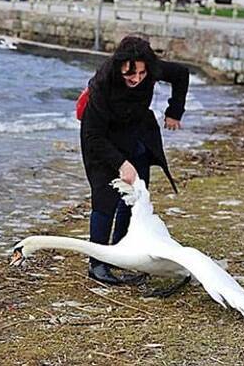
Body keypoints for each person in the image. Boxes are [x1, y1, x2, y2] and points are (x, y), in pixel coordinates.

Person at [80, 34, 189, 284]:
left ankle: (122, 253)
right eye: (130, 74)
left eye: (141, 74)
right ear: (120, 66)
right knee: (105, 198)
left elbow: (181, 74)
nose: (137, 79)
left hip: (137, 133)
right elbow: (93, 135)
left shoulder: (150, 68)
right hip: (101, 140)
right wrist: (121, 163)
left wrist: (174, 111)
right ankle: (97, 264)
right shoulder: (102, 84)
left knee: (135, 196)